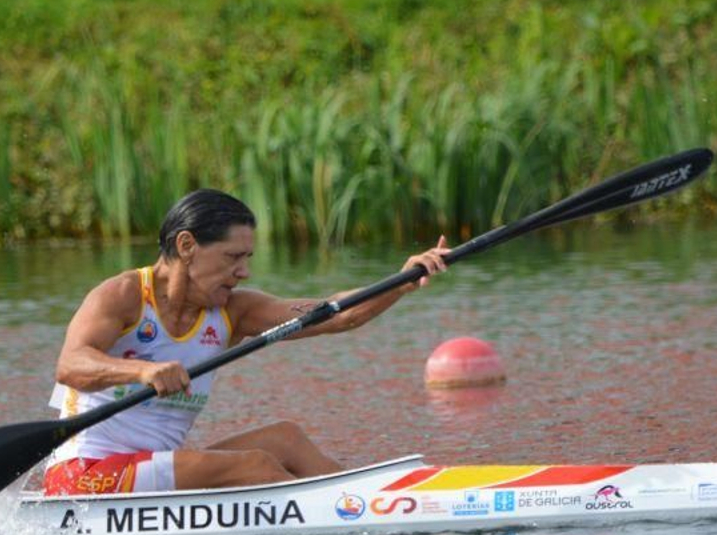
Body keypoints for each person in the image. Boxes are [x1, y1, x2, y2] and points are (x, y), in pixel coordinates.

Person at [43, 189, 450, 495]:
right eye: (232, 257)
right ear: (186, 246)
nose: (244, 273)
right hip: (86, 475)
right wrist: (143, 370)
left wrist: (401, 282)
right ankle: (349, 511)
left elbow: (335, 313)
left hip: (149, 472)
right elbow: (71, 365)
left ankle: (370, 501)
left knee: (284, 439)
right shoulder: (125, 294)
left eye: (247, 259)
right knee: (255, 465)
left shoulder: (232, 312)